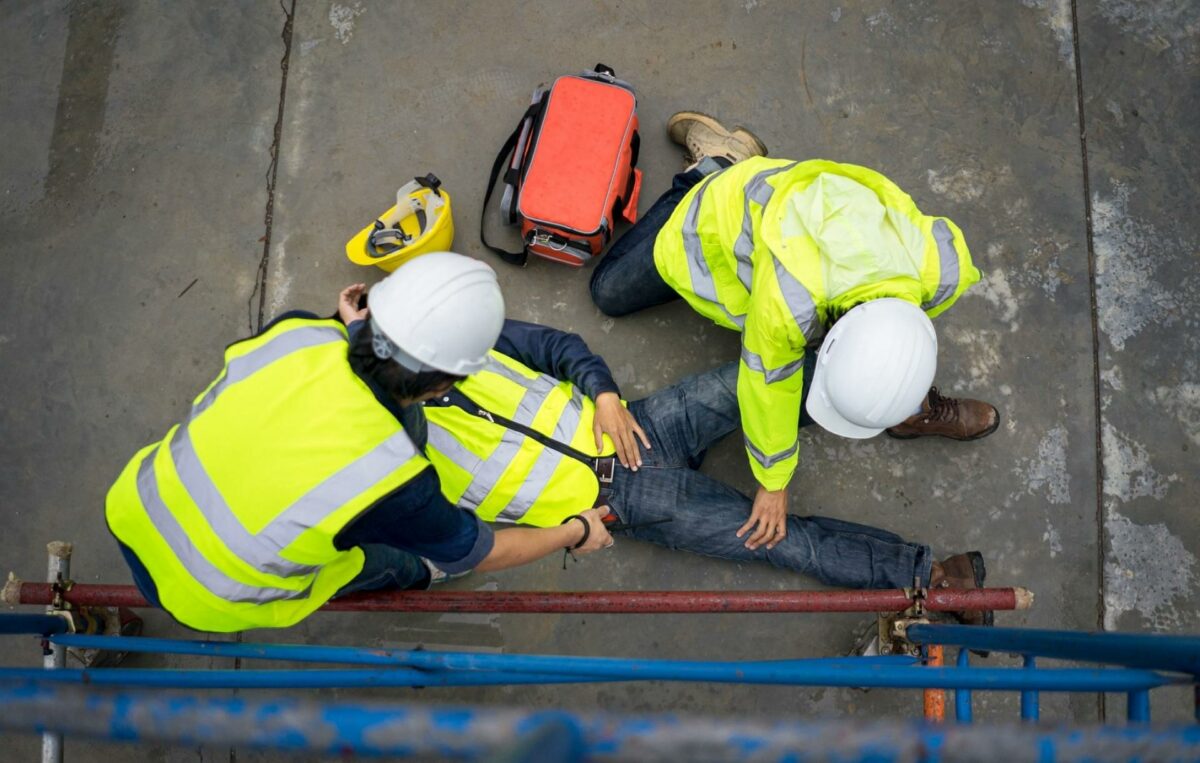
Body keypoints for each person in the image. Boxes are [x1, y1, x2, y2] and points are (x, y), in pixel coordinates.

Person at [361, 311, 991, 625]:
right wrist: (574, 533)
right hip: (625, 501)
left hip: (640, 422)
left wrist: (603, 393)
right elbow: (460, 551)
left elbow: (555, 348)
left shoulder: (450, 338)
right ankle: (930, 577)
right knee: (776, 538)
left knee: (766, 381)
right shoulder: (394, 473)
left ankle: (898, 406)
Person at [105, 253, 612, 633]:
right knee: (388, 558)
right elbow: (484, 552)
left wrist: (353, 332)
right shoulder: (394, 477)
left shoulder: (297, 331)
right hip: (212, 593)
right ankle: (418, 573)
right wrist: (574, 531)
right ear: (441, 387)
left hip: (136, 503)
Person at [589, 112, 1000, 556]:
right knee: (609, 292)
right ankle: (716, 164)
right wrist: (774, 482)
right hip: (715, 219)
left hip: (797, 223)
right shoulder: (788, 303)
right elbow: (767, 387)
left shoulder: (943, 267)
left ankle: (908, 409)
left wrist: (898, 381)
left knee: (860, 368)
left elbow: (904, 335)